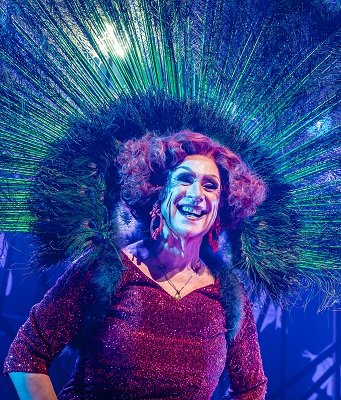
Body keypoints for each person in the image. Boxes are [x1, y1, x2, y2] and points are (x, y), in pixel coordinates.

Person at [4, 131, 268, 399]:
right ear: (159, 192)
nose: (197, 193)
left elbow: (251, 387)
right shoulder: (106, 268)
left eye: (210, 185)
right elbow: (28, 351)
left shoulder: (228, 295)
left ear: (221, 206)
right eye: (184, 179)